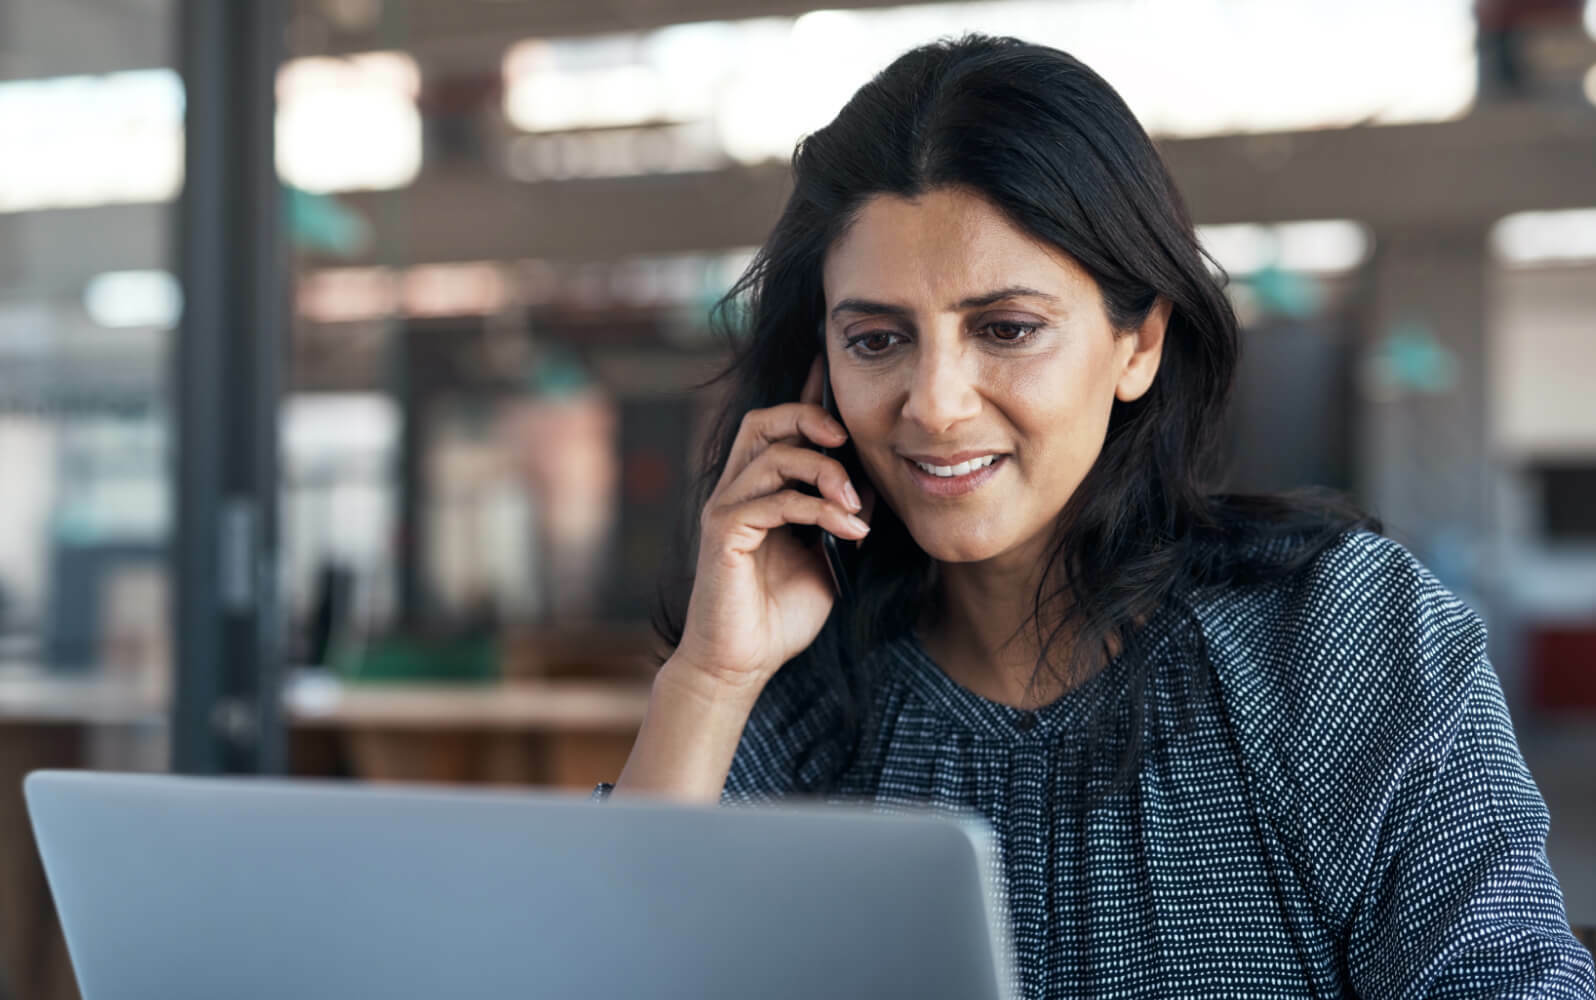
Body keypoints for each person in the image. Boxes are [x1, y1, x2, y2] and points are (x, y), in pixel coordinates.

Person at [593, 35, 1595, 999]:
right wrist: (712, 681)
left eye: (1008, 329)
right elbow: (592, 968)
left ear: (1139, 345)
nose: (934, 402)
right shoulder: (796, 702)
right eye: (877, 338)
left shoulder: (1339, 638)